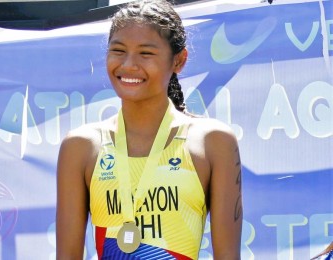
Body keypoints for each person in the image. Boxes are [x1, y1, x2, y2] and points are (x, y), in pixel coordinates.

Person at [57, 0, 242, 259]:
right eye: (118, 50)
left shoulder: (213, 142)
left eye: (146, 53)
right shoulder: (81, 146)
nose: (129, 65)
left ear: (179, 60)